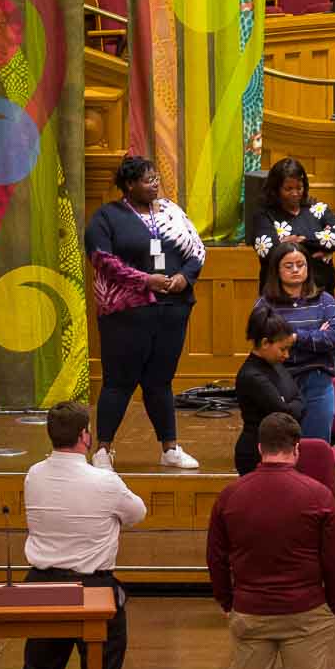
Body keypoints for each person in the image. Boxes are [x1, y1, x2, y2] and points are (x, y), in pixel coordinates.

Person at [1, 402, 159, 669]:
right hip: (92, 590)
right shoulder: (103, 482)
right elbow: (137, 512)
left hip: (42, 587)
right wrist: (108, 474)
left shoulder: (33, 475)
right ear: (85, 436)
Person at [207, 413, 335, 669]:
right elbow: (334, 562)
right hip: (306, 610)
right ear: (297, 449)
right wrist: (332, 604)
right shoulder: (318, 496)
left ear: (259, 448)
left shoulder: (231, 496)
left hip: (251, 609)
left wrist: (227, 601)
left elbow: (216, 558)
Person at [84, 155, 204, 470]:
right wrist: (145, 281)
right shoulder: (107, 216)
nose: (154, 184)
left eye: (155, 178)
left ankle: (170, 449)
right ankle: (103, 450)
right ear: (129, 185)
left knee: (160, 382)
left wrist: (184, 277)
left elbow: (197, 250)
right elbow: (101, 259)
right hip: (126, 313)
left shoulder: (171, 213)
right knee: (118, 383)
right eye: (146, 179)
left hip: (172, 310)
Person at [251, 241, 335, 443]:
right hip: (277, 380)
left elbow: (333, 338)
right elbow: (264, 343)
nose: (295, 270)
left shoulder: (325, 300)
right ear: (277, 270)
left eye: (300, 265)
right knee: (281, 445)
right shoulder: (264, 303)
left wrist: (293, 337)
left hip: (317, 377)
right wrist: (314, 335)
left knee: (315, 445)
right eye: (288, 265)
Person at [246, 157, 335, 294]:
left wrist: (303, 240)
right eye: (288, 189)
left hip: (321, 294)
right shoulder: (263, 215)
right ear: (276, 189)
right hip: (280, 298)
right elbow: (269, 250)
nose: (295, 193)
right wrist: (320, 246)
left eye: (299, 188)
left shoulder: (318, 209)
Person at [233, 306, 305, 476]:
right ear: (265, 343)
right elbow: (286, 413)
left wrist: (291, 403)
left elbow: (299, 396)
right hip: (256, 454)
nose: (287, 355)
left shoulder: (276, 365)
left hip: (277, 449)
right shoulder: (252, 375)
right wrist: (293, 403)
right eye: (283, 349)